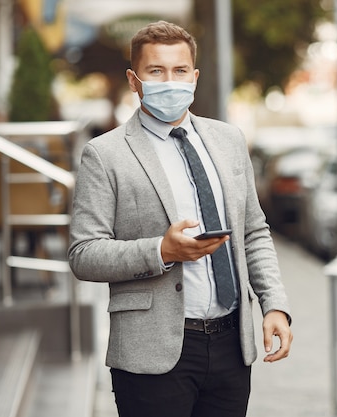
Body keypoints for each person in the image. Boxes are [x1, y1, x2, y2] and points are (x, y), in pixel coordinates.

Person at [68, 20, 292, 417]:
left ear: (194, 76)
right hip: (151, 352)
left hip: (230, 346)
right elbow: (84, 254)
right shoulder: (105, 155)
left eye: (179, 70)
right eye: (156, 71)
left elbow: (254, 231)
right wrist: (161, 250)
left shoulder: (229, 140)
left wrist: (273, 304)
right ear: (135, 80)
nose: (169, 81)